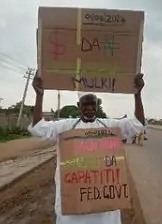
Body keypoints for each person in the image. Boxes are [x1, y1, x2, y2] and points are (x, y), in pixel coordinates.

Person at [28, 72, 146, 224]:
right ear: (79, 105)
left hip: (104, 211)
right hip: (73, 207)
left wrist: (137, 94)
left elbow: (138, 124)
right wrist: (39, 95)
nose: (89, 108)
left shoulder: (110, 126)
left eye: (93, 104)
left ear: (98, 105)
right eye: (85, 104)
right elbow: (38, 128)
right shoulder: (65, 126)